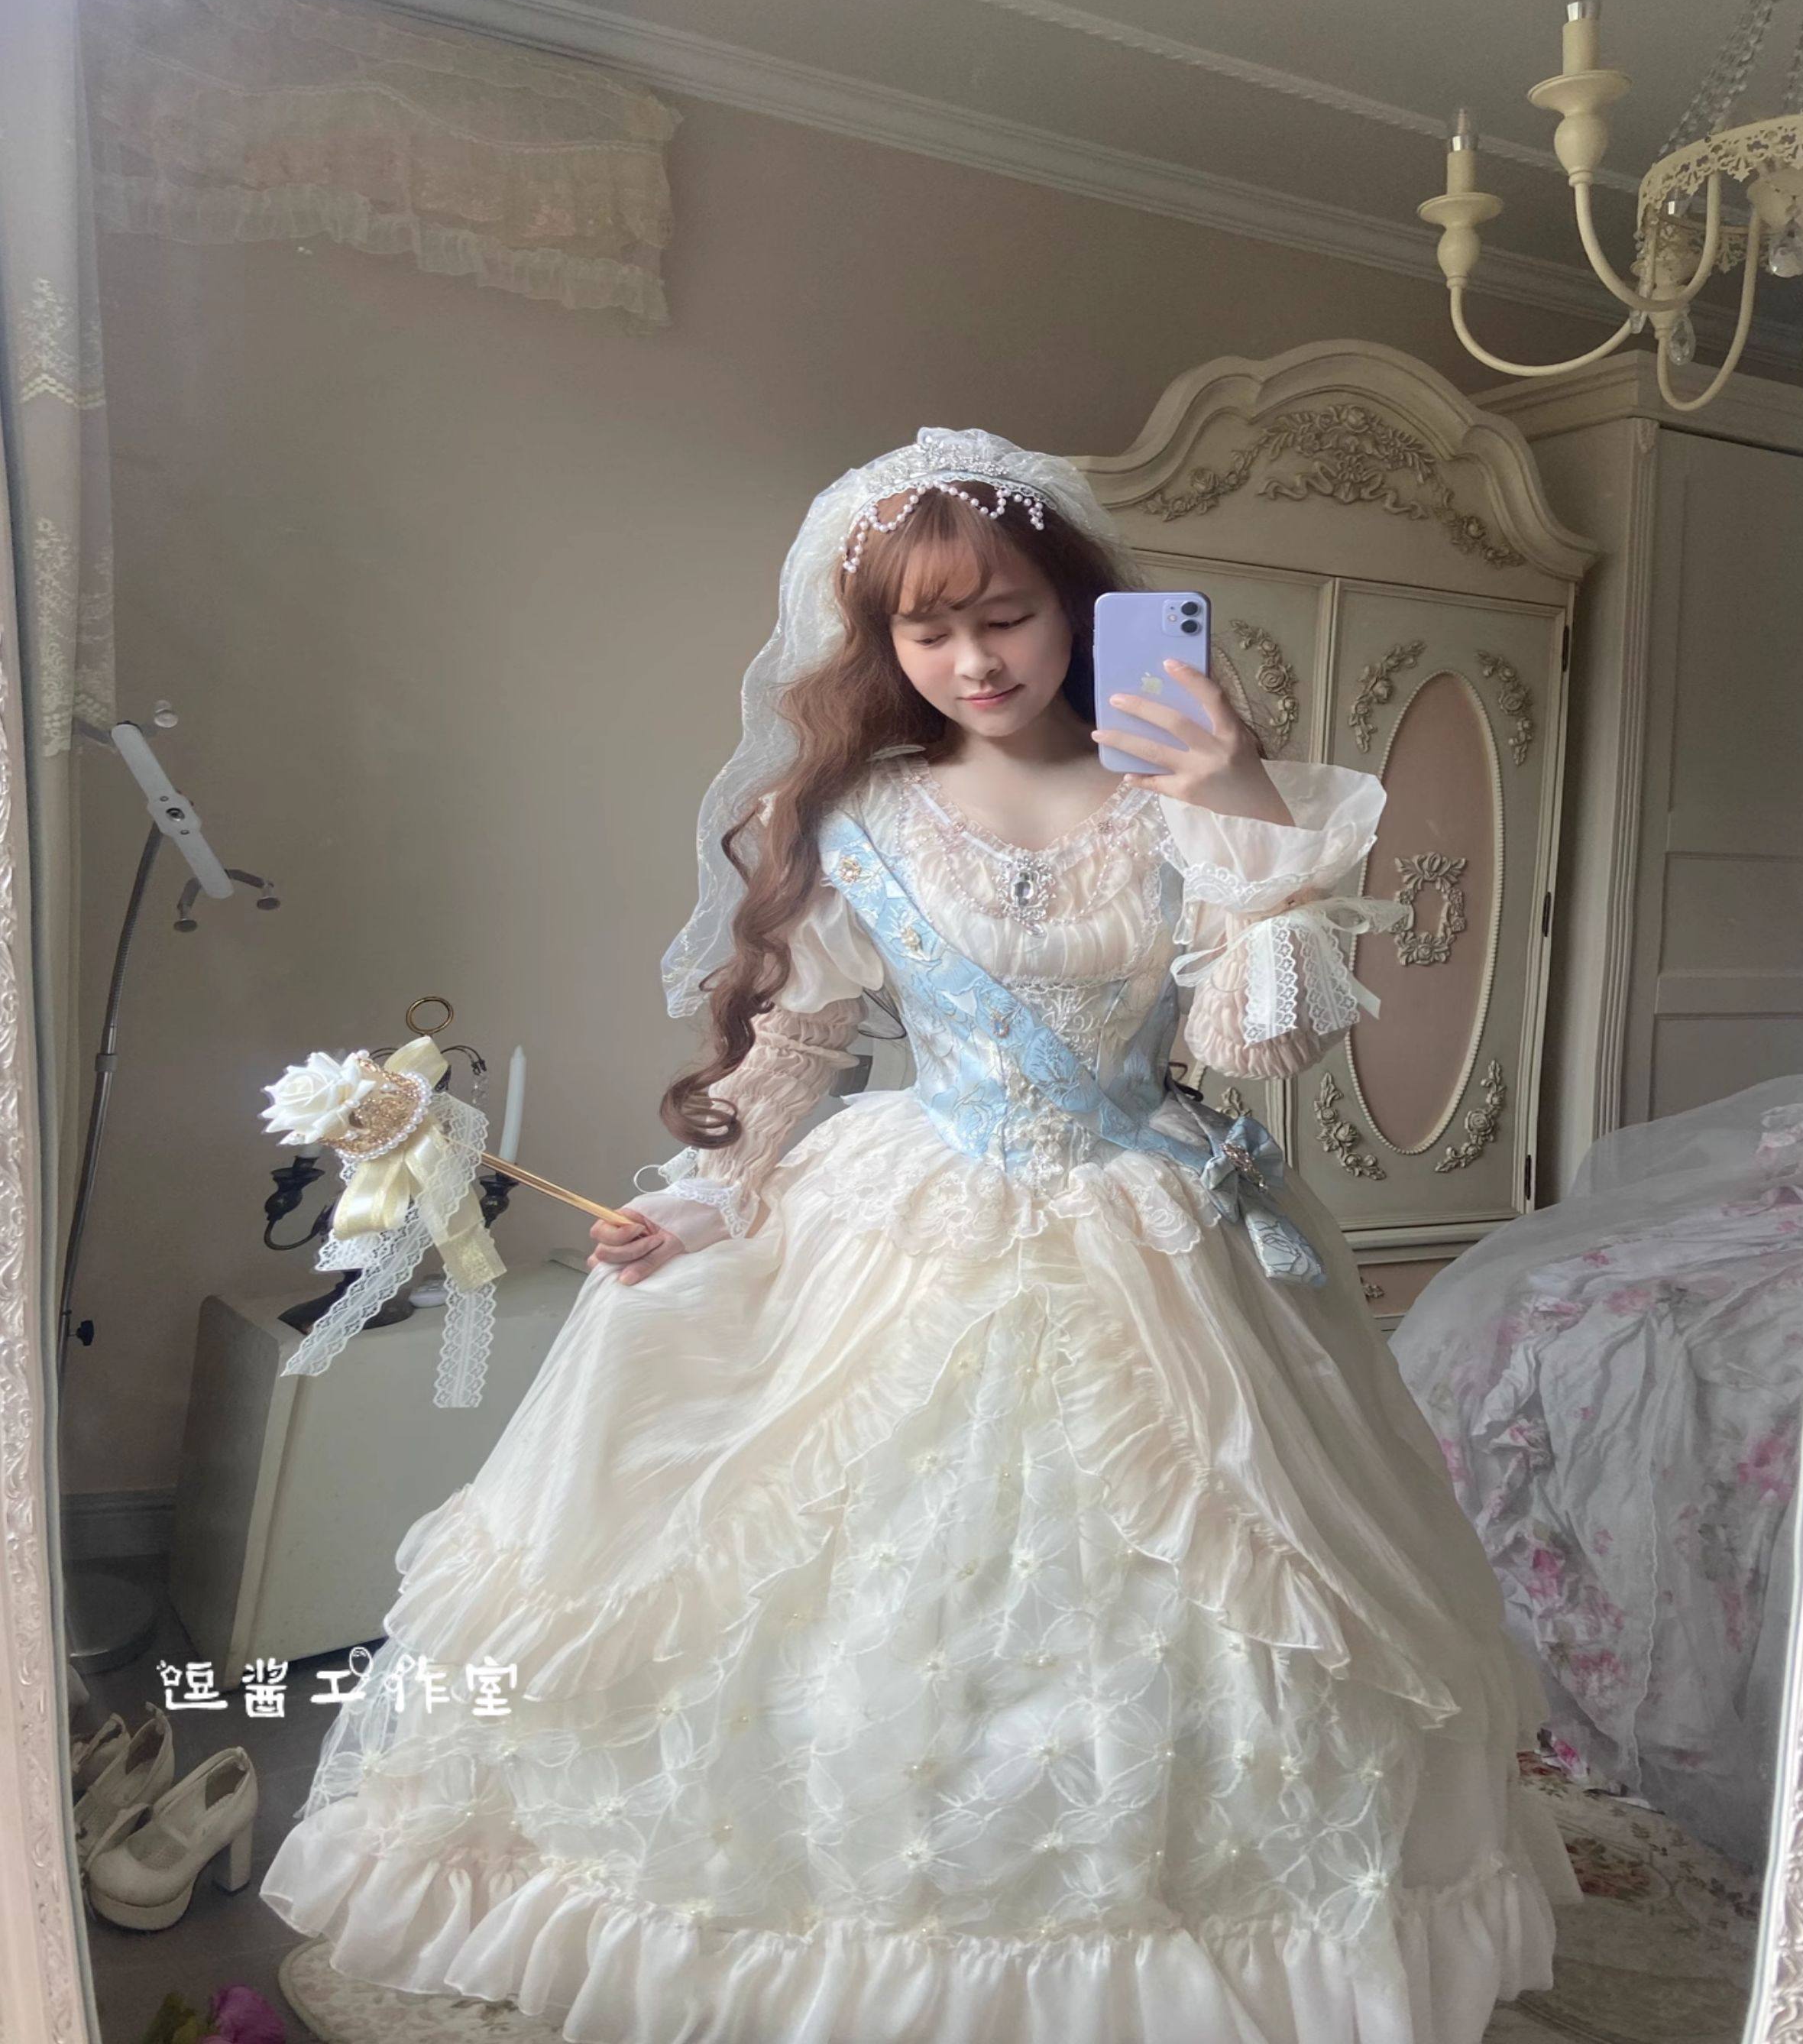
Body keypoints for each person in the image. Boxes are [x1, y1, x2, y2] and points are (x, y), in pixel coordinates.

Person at [260, 428, 1579, 2042]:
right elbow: (797, 1047)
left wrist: (1236, 797)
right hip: (908, 1207)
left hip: (1153, 1223)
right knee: (820, 1572)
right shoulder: (859, 814)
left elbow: (1263, 1043)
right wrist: (701, 1197)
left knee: (1218, 1576)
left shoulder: (1182, 801)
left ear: (1078, 606)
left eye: (1006, 615)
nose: (974, 660)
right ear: (880, 641)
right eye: (928, 629)